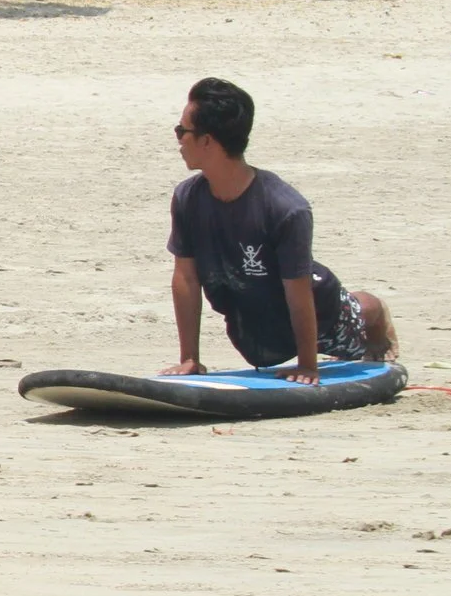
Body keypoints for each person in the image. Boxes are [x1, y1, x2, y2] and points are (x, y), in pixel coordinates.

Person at [163, 77, 397, 382]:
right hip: (253, 313)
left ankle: (378, 314)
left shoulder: (285, 208)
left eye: (182, 131)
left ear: (207, 140)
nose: (178, 139)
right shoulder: (187, 198)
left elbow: (298, 291)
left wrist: (308, 365)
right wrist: (189, 359)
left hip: (317, 313)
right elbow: (186, 278)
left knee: (356, 315)